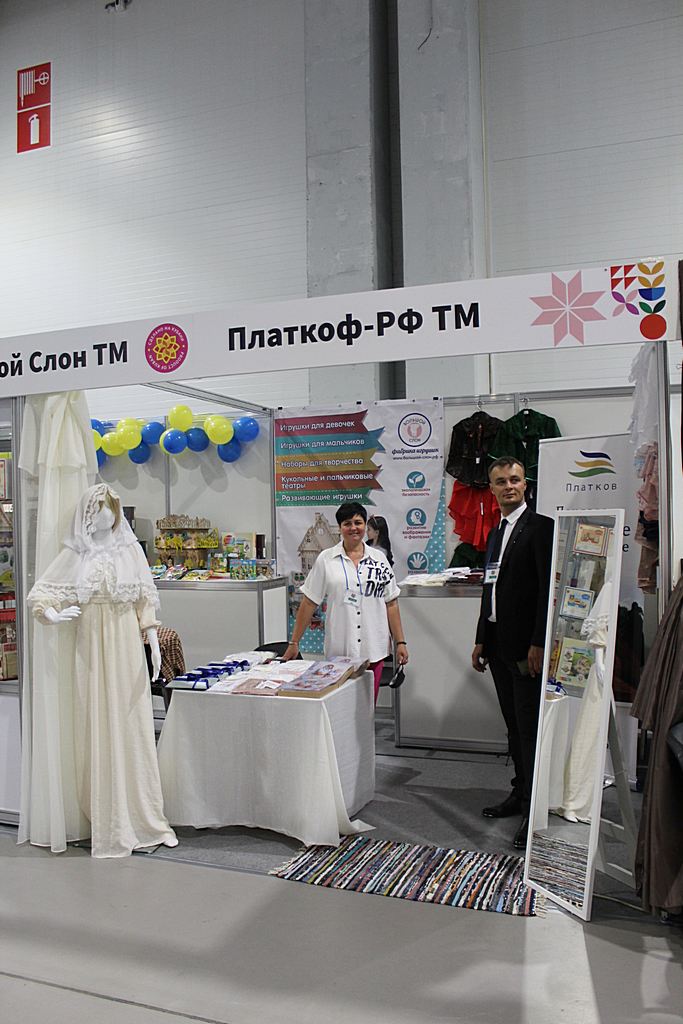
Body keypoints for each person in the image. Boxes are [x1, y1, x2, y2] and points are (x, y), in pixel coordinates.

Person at [27, 483, 178, 859]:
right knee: (94, 722)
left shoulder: (130, 551)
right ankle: (107, 819)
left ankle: (146, 817)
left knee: (132, 721)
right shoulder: (76, 553)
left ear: (116, 513)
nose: (100, 516)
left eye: (106, 509)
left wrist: (152, 639)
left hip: (125, 643)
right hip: (90, 646)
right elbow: (41, 594)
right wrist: (52, 613)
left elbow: (144, 600)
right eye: (94, 510)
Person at [471, 457, 554, 849]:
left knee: (529, 730)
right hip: (498, 645)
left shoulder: (541, 528)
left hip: (526, 648)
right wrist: (480, 638)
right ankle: (519, 792)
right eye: (501, 481)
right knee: (513, 726)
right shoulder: (495, 532)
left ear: (525, 485)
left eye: (515, 480)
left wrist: (539, 641)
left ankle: (533, 811)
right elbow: (490, 589)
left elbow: (546, 590)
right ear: (492, 488)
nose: (508, 486)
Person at [283, 501, 408, 702]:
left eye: (358, 522)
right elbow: (309, 603)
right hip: (339, 651)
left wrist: (400, 642)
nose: (353, 528)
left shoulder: (379, 560)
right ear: (340, 527)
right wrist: (294, 642)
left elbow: (391, 603)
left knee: (368, 708)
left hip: (373, 649)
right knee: (339, 707)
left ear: (365, 525)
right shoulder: (326, 559)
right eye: (347, 523)